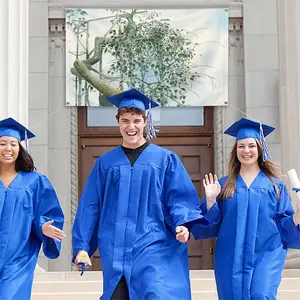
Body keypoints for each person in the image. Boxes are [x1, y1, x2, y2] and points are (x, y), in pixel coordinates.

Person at [72, 89, 214, 300]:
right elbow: (91, 205)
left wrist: (183, 223)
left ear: (146, 121)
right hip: (116, 249)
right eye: (125, 121)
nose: (131, 127)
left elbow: (179, 198)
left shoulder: (165, 160)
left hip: (154, 245)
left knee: (156, 293)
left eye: (137, 121)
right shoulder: (106, 163)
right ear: (118, 121)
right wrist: (82, 246)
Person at [191, 117, 300, 300]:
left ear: (260, 148)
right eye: (241, 146)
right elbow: (209, 227)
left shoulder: (275, 186)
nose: (246, 151)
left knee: (261, 294)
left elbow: (285, 227)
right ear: (235, 151)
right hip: (230, 255)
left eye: (251, 146)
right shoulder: (224, 186)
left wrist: (298, 215)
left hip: (267, 252)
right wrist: (210, 201)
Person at [0, 117, 65, 300]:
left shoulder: (35, 182)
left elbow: (47, 213)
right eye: (2, 143)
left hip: (18, 259)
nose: (8, 149)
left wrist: (42, 227)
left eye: (13, 144)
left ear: (20, 148)